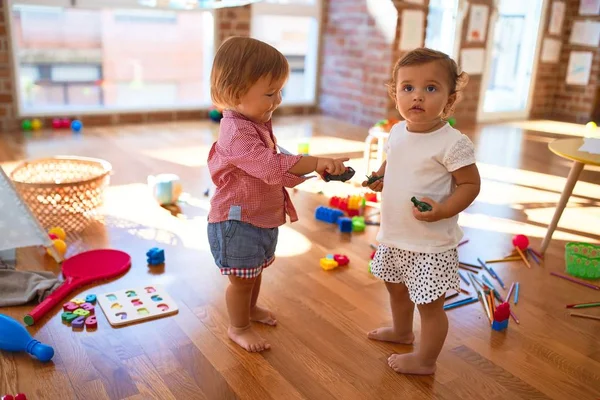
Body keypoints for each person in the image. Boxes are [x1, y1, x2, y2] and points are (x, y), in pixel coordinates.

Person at [207, 37, 348, 353]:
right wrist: (314, 161)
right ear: (233, 93)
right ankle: (238, 326)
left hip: (259, 217)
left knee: (254, 272)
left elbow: (278, 162)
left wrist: (313, 170)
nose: (278, 100)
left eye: (280, 90)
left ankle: (251, 311)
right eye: (270, 93)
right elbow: (270, 166)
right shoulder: (236, 132)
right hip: (237, 222)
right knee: (242, 281)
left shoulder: (256, 122)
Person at [363, 48, 481, 374]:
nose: (418, 97)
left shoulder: (452, 143)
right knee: (396, 288)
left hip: (430, 245)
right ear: (395, 92)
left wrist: (444, 209)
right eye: (408, 88)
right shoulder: (397, 131)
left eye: (431, 88)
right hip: (395, 236)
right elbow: (393, 158)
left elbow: (470, 185)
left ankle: (426, 361)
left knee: (430, 306)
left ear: (450, 98)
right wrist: (381, 175)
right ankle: (402, 332)